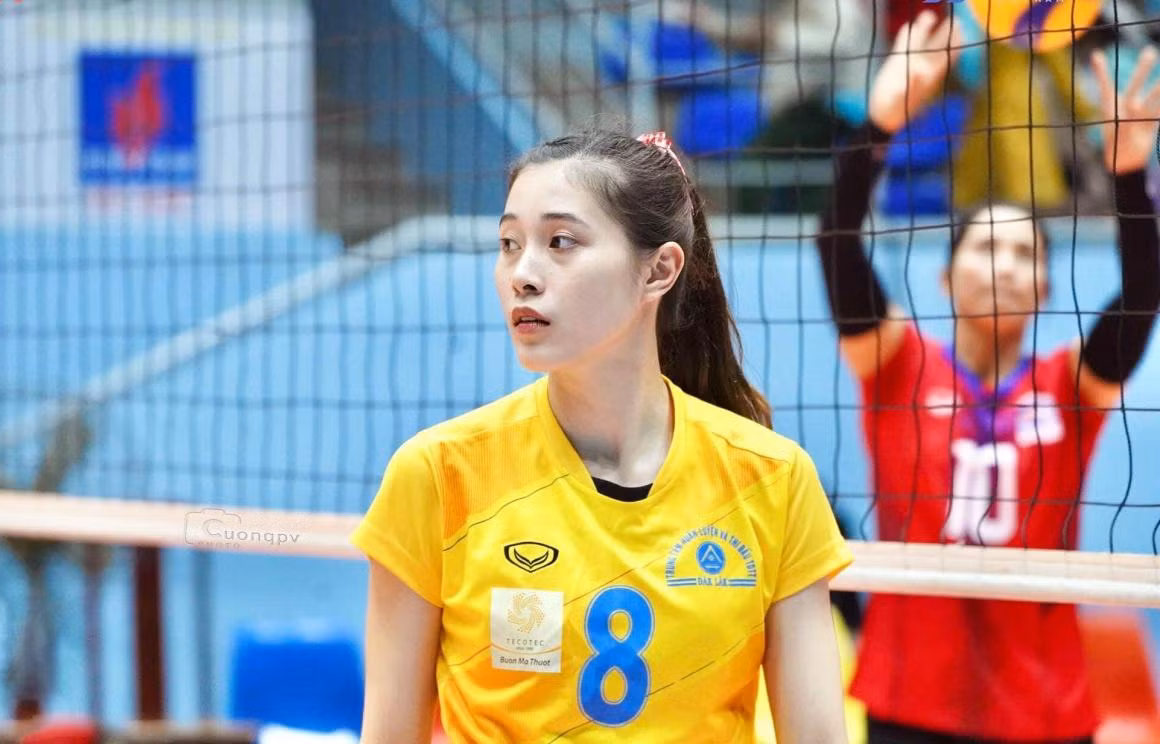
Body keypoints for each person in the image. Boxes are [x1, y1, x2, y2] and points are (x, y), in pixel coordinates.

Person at [353, 127, 854, 742]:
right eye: (509, 244)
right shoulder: (437, 473)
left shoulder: (773, 479)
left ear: (659, 270)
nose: (522, 275)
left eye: (560, 242)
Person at [816, 10, 1160, 743]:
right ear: (946, 278)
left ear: (1045, 288)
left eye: (1025, 254)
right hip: (909, 700)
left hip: (1044, 707)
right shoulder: (896, 363)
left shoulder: (1072, 385)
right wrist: (879, 127)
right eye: (985, 248)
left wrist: (1130, 179)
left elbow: (1142, 295)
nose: (1003, 266)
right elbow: (836, 241)